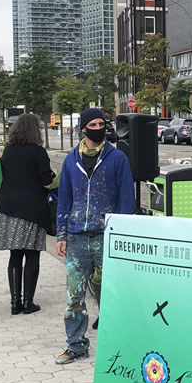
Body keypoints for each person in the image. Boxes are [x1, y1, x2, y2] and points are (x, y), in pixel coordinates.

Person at [53, 107, 135, 365]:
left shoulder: (117, 158)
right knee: (74, 297)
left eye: (102, 124)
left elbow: (126, 198)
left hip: (106, 237)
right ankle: (76, 345)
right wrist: (61, 235)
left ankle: (121, 347)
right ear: (83, 128)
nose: (99, 128)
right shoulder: (70, 160)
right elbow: (64, 199)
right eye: (94, 124)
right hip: (77, 238)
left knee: (112, 294)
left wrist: (121, 233)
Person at [0, 114, 56, 317]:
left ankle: (15, 302)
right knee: (32, 255)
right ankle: (28, 302)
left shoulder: (9, 150)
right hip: (31, 210)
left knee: (15, 255)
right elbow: (46, 182)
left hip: (8, 207)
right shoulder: (38, 152)